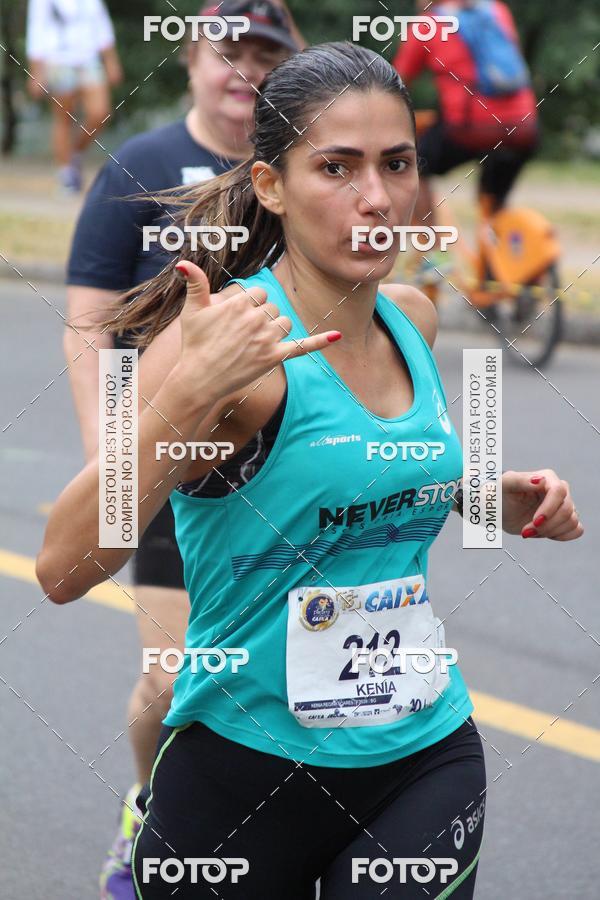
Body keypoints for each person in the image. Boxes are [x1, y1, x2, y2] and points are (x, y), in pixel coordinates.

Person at [38, 42, 584, 899]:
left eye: (396, 164)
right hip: (239, 773)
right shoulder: (227, 341)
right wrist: (190, 398)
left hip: (422, 756)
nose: (375, 200)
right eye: (336, 167)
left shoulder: (413, 317)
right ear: (270, 186)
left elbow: (363, 465)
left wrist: (484, 496)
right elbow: (64, 567)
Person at [64, 2, 301, 896]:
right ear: (195, 59)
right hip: (171, 459)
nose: (244, 71)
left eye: (264, 56)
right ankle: (146, 810)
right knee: (171, 683)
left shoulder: (305, 171)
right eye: (227, 52)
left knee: (284, 682)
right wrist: (111, 454)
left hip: (287, 470)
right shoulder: (141, 167)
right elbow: (88, 322)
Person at [393, 0, 540, 282]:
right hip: (524, 127)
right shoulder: (496, 10)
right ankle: (498, 270)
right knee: (494, 201)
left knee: (415, 165)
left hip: (472, 128)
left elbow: (396, 83)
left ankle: (432, 254)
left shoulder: (427, 25)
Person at [26, 0, 123, 193]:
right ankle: (66, 174)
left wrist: (111, 60)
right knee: (63, 118)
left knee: (100, 112)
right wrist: (36, 71)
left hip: (88, 58)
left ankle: (75, 153)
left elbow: (101, 23)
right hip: (58, 59)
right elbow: (36, 28)